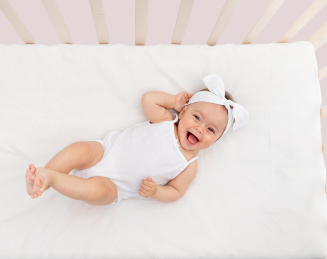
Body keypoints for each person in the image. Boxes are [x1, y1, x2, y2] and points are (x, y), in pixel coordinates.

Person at [25, 74, 249, 206]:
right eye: (196, 117)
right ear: (183, 113)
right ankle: (44, 175)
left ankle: (52, 179)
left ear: (216, 140)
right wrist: (173, 101)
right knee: (81, 149)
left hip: (116, 187)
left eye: (211, 129)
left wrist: (156, 192)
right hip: (105, 152)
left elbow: (176, 192)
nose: (200, 128)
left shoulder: (189, 165)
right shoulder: (165, 121)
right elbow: (149, 99)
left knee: (98, 192)